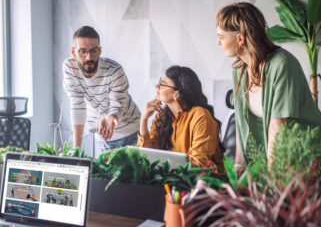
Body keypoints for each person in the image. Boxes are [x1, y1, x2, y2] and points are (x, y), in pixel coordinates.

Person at [216, 2, 321, 173]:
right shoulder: (240, 69)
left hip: (308, 157)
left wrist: (273, 182)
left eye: (221, 36)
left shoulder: (282, 65)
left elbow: (277, 129)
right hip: (278, 158)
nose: (218, 42)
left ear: (240, 39)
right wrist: (239, 170)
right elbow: (242, 126)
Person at [63, 26, 141, 154]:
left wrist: (111, 116)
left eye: (94, 51)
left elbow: (117, 105)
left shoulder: (114, 70)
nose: (88, 57)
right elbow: (77, 105)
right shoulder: (69, 67)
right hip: (101, 133)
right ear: (73, 52)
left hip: (130, 130)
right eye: (82, 51)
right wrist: (76, 150)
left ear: (100, 51)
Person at [138, 65, 225, 173]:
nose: (157, 86)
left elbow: (200, 164)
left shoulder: (200, 116)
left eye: (162, 84)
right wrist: (143, 120)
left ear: (177, 93)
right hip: (171, 181)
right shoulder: (161, 117)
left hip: (202, 184)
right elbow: (148, 157)